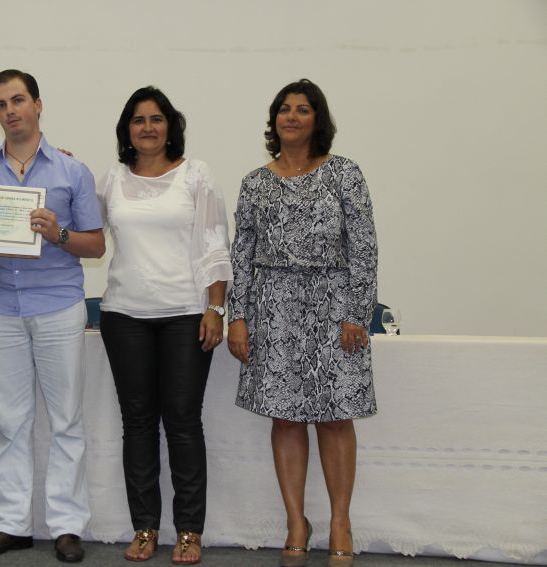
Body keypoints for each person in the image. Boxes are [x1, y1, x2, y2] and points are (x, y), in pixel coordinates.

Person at [0, 69, 104, 563]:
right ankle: (11, 525)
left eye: (18, 100)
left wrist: (59, 234)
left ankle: (66, 527)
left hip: (58, 305)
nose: (10, 111)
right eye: (0, 104)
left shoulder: (72, 171)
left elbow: (96, 245)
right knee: (11, 422)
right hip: (0, 308)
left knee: (66, 420)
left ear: (38, 104)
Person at [227, 78, 378, 567]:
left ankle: (340, 522)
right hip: (273, 308)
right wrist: (238, 317)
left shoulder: (344, 173)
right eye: (284, 109)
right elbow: (241, 255)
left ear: (318, 120)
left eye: (302, 109)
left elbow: (364, 246)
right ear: (274, 120)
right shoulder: (254, 182)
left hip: (334, 308)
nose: (291, 117)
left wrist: (357, 312)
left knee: (335, 417)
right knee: (286, 416)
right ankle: (296, 521)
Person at [97, 86, 232, 565]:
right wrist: (60, 171)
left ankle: (190, 530)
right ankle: (145, 527)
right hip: (123, 316)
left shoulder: (196, 174)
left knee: (182, 422)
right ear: (127, 130)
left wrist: (215, 308)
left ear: (170, 126)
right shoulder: (111, 179)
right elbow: (85, 229)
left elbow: (215, 243)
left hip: (185, 315)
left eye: (156, 119)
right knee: (137, 424)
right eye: (138, 120)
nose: (148, 127)